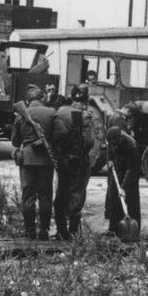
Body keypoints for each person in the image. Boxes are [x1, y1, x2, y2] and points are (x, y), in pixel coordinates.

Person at [11, 85, 57, 240]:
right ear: (42, 98)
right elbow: (57, 136)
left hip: (27, 159)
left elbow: (15, 141)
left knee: (28, 196)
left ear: (27, 100)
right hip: (46, 159)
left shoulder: (20, 115)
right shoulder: (51, 112)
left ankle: (29, 231)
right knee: (45, 196)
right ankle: (44, 230)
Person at [52, 83, 95, 240]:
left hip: (61, 159)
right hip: (79, 162)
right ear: (86, 99)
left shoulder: (60, 111)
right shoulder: (85, 115)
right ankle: (73, 233)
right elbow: (89, 141)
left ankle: (60, 230)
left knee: (61, 192)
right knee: (76, 194)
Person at [104, 126, 141, 237]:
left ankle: (134, 231)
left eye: (115, 143)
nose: (113, 146)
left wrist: (124, 187)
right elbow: (109, 150)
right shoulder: (111, 140)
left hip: (131, 171)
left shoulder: (131, 145)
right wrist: (110, 160)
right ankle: (113, 229)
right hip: (118, 168)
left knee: (132, 199)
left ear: (120, 138)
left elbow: (132, 169)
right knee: (114, 198)